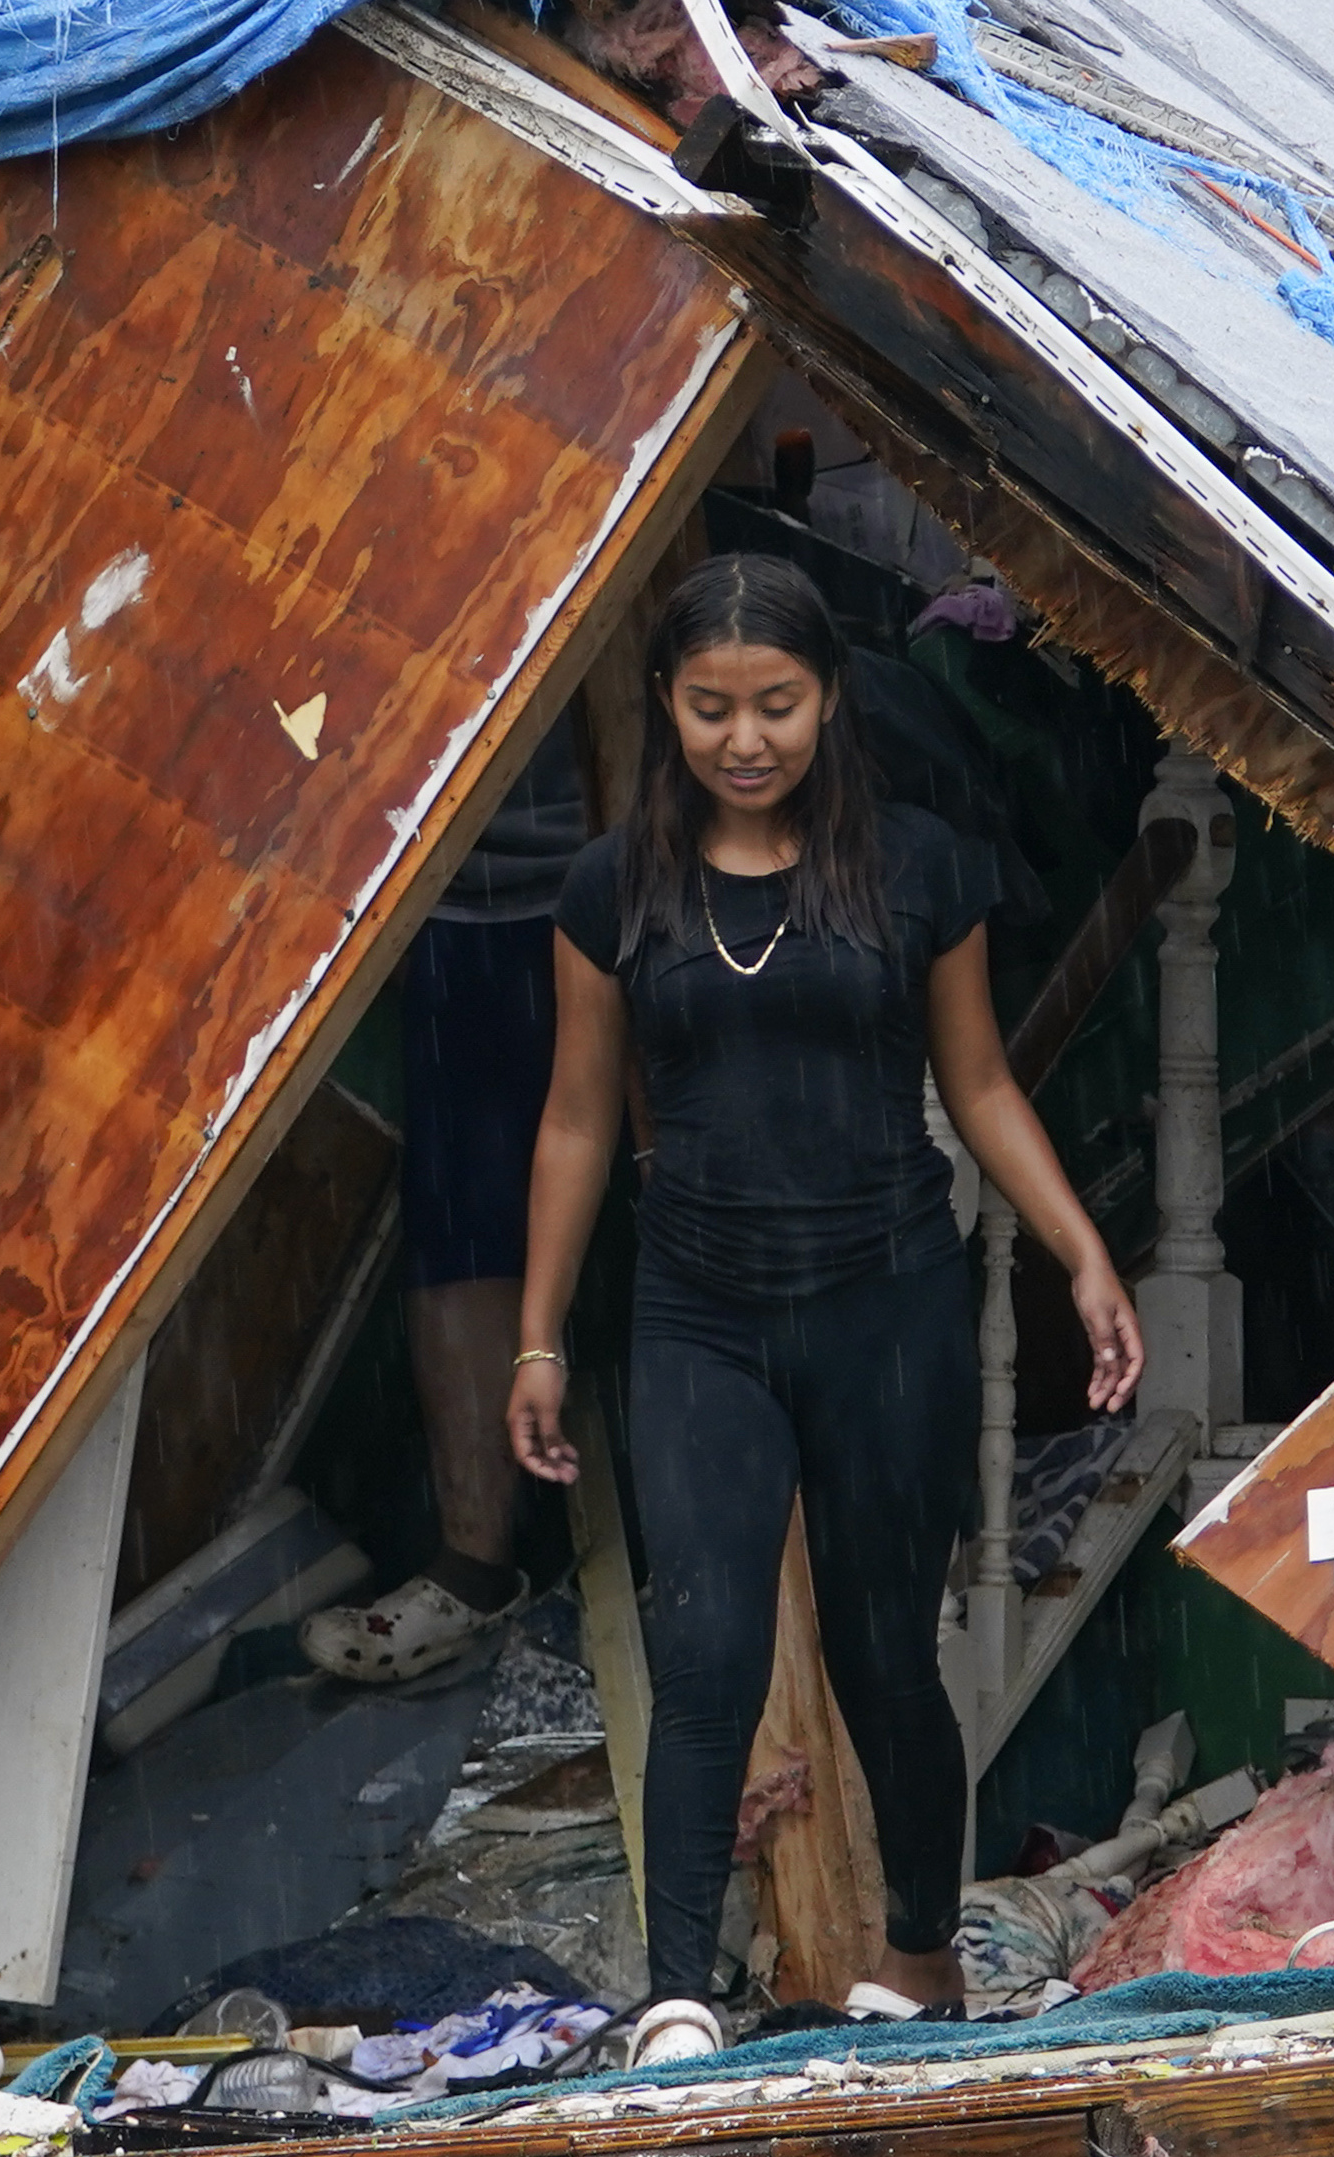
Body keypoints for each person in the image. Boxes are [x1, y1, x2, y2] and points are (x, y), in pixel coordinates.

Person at [512, 553, 1140, 2022]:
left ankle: (917, 1955)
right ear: (666, 703)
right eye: (713, 707)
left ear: (827, 701)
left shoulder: (916, 866)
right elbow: (575, 1116)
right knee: (707, 1645)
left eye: (776, 706)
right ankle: (675, 1999)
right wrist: (536, 1334)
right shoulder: (610, 887)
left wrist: (1078, 1248)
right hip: (698, 1313)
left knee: (879, 1657)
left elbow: (975, 1081)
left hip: (888, 1304)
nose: (744, 739)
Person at [304, 730, 591, 1686]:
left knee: (693, 1186)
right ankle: (472, 1566)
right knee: (461, 1212)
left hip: (647, 869)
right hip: (443, 880)